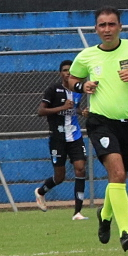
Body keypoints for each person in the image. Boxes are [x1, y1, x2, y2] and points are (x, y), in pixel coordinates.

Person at [69, 7, 128, 252]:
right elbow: (71, 79)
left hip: (127, 124)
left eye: (111, 24)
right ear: (96, 29)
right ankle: (125, 233)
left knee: (118, 178)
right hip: (99, 122)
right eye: (102, 25)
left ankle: (105, 214)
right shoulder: (87, 56)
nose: (107, 29)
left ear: (120, 26)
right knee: (118, 173)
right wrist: (82, 84)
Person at [34, 60, 88, 220]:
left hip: (75, 136)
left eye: (70, 70)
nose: (68, 73)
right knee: (60, 177)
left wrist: (81, 112)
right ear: (60, 73)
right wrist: (62, 108)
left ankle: (77, 212)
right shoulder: (53, 89)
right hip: (58, 137)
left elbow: (74, 108)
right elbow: (41, 111)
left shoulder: (78, 90)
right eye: (65, 70)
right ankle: (41, 191)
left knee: (80, 168)